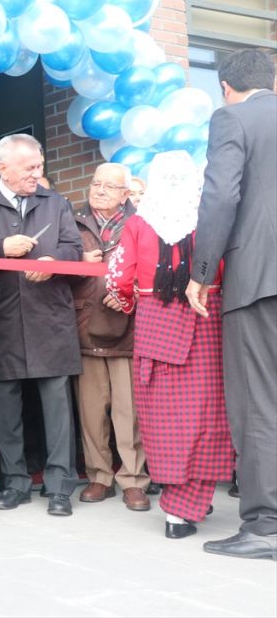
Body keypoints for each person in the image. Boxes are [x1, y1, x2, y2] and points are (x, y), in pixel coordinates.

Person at [107, 151, 234, 540]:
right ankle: (193, 500)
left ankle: (180, 508)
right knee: (207, 413)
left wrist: (134, 305)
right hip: (205, 318)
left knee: (164, 418)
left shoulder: (138, 223)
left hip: (155, 322)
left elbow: (117, 279)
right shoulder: (210, 220)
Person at [0, 133, 82, 517]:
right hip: (2, 319)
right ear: (4, 168)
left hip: (50, 317)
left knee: (57, 406)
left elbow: (75, 250)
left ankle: (60, 485)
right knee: (6, 408)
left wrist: (54, 261)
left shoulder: (55, 202)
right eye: (29, 168)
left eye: (39, 166)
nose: (37, 173)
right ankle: (14, 482)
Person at [187, 48, 277, 560]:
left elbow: (220, 196)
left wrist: (202, 273)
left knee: (260, 402)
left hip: (260, 279)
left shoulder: (232, 118)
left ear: (224, 86)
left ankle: (266, 527)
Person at [70, 163, 150, 512]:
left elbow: (152, 268)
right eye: (95, 183)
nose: (99, 190)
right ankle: (99, 476)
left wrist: (129, 288)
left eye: (109, 186)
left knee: (128, 412)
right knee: (90, 411)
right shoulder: (71, 223)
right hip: (83, 325)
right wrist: (76, 258)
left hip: (127, 329)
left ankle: (133, 480)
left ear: (125, 194)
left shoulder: (141, 224)